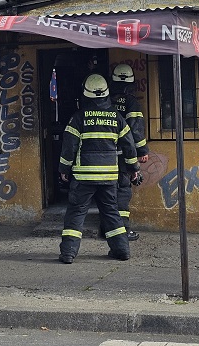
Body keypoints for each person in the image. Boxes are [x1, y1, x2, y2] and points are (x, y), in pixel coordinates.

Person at [58, 73, 141, 264]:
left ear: (85, 94)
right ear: (106, 94)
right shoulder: (117, 117)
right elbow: (129, 146)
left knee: (76, 213)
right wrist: (133, 168)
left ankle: (68, 253)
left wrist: (64, 169)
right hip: (109, 177)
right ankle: (121, 250)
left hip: (83, 177)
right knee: (111, 212)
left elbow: (69, 146)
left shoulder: (78, 118)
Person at [109, 64, 149, 241]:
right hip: (124, 155)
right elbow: (136, 130)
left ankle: (108, 228)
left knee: (107, 192)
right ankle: (123, 230)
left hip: (104, 154)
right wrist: (142, 151)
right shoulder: (132, 102)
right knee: (123, 191)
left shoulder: (105, 101)